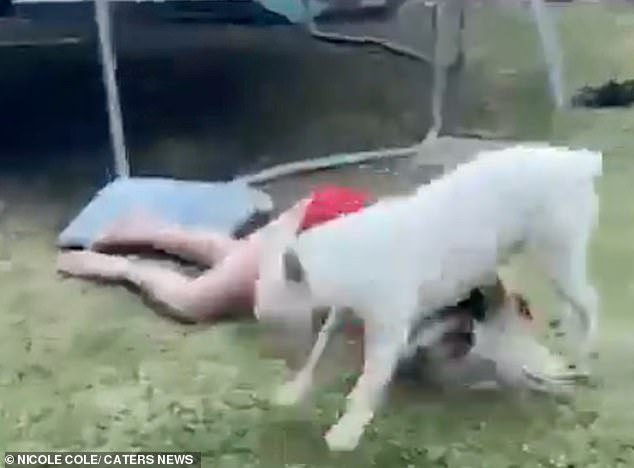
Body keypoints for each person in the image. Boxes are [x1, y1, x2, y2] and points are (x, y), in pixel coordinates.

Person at [56, 185, 530, 357]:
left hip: (340, 221)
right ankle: (123, 267)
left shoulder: (473, 277)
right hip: (319, 227)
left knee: (240, 264)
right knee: (197, 302)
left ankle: (151, 229)